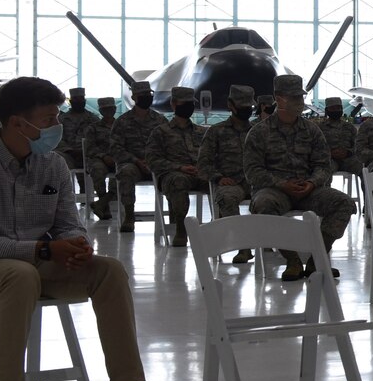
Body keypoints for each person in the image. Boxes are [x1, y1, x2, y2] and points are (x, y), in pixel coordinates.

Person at [0, 76, 178, 381]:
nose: (57, 127)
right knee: (18, 275)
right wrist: (45, 250)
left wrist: (77, 244)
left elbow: (67, 223)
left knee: (109, 271)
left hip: (34, 265)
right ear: (19, 123)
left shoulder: (53, 166)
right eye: (49, 119)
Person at [242, 74, 356, 281]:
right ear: (278, 98)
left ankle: (316, 259)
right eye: (293, 97)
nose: (299, 102)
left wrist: (312, 183)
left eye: (300, 97)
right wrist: (282, 184)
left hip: (308, 190)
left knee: (343, 203)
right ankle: (292, 260)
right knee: (263, 205)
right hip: (275, 190)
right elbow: (252, 171)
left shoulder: (312, 131)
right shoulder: (259, 132)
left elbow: (323, 164)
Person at [198, 84, 255, 263]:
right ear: (230, 105)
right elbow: (203, 164)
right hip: (231, 182)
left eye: (249, 106)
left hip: (257, 181)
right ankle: (243, 246)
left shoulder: (258, 131)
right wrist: (218, 177)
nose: (246, 109)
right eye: (242, 105)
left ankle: (272, 241)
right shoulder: (216, 132)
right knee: (227, 198)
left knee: (270, 199)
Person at [145, 85, 206, 247]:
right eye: (184, 103)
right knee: (179, 181)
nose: (188, 107)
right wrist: (179, 168)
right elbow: (152, 159)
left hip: (199, 173)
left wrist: (204, 168)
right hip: (172, 175)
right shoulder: (161, 132)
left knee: (219, 183)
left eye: (190, 103)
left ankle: (221, 227)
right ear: (173, 104)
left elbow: (211, 155)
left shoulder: (201, 132)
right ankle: (180, 228)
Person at [112, 80, 163, 233]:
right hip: (134, 164)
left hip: (157, 163)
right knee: (126, 172)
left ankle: (175, 218)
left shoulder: (160, 120)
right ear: (134, 97)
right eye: (142, 95)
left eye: (149, 94)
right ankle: (129, 215)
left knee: (175, 175)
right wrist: (136, 161)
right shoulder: (123, 121)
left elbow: (169, 146)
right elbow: (115, 148)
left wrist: (154, 161)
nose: (147, 97)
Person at [83, 96, 119, 220]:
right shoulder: (93, 128)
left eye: (110, 109)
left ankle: (102, 203)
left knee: (124, 170)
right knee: (97, 169)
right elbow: (90, 147)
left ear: (115, 109)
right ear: (100, 111)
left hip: (118, 157)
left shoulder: (121, 126)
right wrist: (104, 156)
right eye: (105, 109)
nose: (108, 112)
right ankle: (105, 207)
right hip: (99, 159)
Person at [56, 86, 98, 173]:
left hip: (89, 155)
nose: (79, 101)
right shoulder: (62, 119)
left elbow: (99, 138)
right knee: (56, 160)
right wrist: (70, 151)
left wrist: (87, 151)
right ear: (71, 101)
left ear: (85, 101)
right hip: (69, 155)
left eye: (81, 99)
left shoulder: (93, 119)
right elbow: (58, 138)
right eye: (76, 99)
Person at [319, 96, 360, 178]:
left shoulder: (349, 127)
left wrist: (348, 152)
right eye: (333, 108)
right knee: (323, 172)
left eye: (338, 108)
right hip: (329, 160)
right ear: (327, 110)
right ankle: (325, 191)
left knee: (363, 169)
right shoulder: (319, 128)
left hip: (348, 159)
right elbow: (316, 147)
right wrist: (329, 153)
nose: (336, 110)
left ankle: (368, 191)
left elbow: (357, 145)